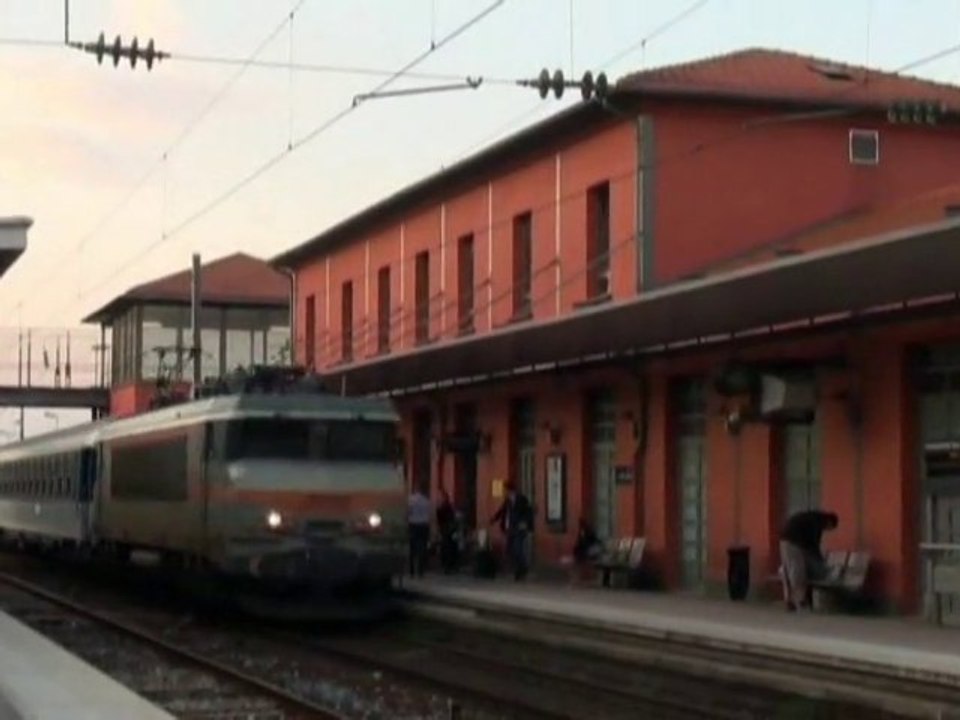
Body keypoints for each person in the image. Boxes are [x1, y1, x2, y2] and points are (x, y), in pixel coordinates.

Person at [779, 509, 839, 611]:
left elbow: (811, 543)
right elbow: (814, 544)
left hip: (785, 539)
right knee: (797, 570)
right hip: (794, 542)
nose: (827, 530)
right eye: (829, 528)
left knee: (787, 569)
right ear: (829, 522)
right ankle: (799, 600)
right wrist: (819, 560)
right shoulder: (818, 522)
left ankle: (788, 599)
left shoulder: (813, 517)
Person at [490, 481, 534, 581]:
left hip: (520, 528)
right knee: (510, 550)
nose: (504, 492)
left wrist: (525, 523)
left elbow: (528, 512)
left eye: (505, 490)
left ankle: (522, 569)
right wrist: (493, 519)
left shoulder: (521, 499)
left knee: (518, 548)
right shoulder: (508, 501)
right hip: (510, 529)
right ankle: (519, 569)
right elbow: (502, 511)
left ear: (510, 490)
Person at [560, 517, 602, 586]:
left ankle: (574, 581)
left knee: (571, 564)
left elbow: (586, 545)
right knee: (568, 563)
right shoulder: (583, 534)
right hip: (581, 554)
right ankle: (575, 580)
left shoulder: (587, 535)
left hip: (583, 555)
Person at [407, 483, 432, 577]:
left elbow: (408, 512)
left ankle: (411, 571)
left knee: (412, 548)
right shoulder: (427, 501)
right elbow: (429, 515)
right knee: (422, 548)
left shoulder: (411, 500)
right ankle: (421, 571)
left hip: (413, 525)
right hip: (424, 526)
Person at [436, 488, 459, 574]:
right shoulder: (449, 506)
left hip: (446, 529)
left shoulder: (444, 506)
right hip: (448, 529)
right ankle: (449, 565)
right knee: (448, 547)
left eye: (440, 496)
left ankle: (448, 566)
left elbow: (441, 518)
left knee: (447, 548)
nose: (438, 498)